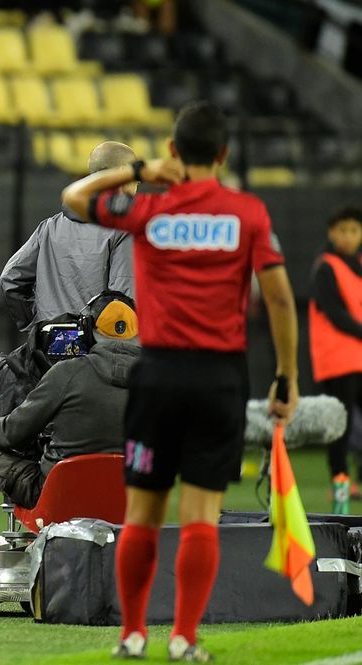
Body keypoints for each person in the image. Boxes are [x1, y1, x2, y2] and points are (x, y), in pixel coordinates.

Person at [61, 101, 298, 661]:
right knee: (200, 516)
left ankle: (133, 634)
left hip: (157, 375)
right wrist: (286, 374)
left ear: (172, 152)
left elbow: (74, 197)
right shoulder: (247, 214)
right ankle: (185, 639)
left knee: (142, 514)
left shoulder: (151, 211)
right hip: (218, 379)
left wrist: (139, 172)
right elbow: (281, 297)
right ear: (224, 154)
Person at [0, 292, 140, 586]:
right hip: (129, 500)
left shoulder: (67, 374)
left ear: (86, 330)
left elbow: (13, 431)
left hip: (57, 498)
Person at [0, 141, 137, 424]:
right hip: (97, 368)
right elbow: (121, 307)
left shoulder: (51, 227)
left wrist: (39, 327)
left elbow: (10, 279)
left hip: (45, 362)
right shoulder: (124, 232)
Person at [308, 206, 362, 513]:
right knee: (338, 426)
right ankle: (340, 482)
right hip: (337, 359)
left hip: (358, 356)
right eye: (342, 230)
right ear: (331, 233)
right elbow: (336, 314)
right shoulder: (325, 267)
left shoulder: (357, 265)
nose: (348, 236)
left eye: (354, 231)